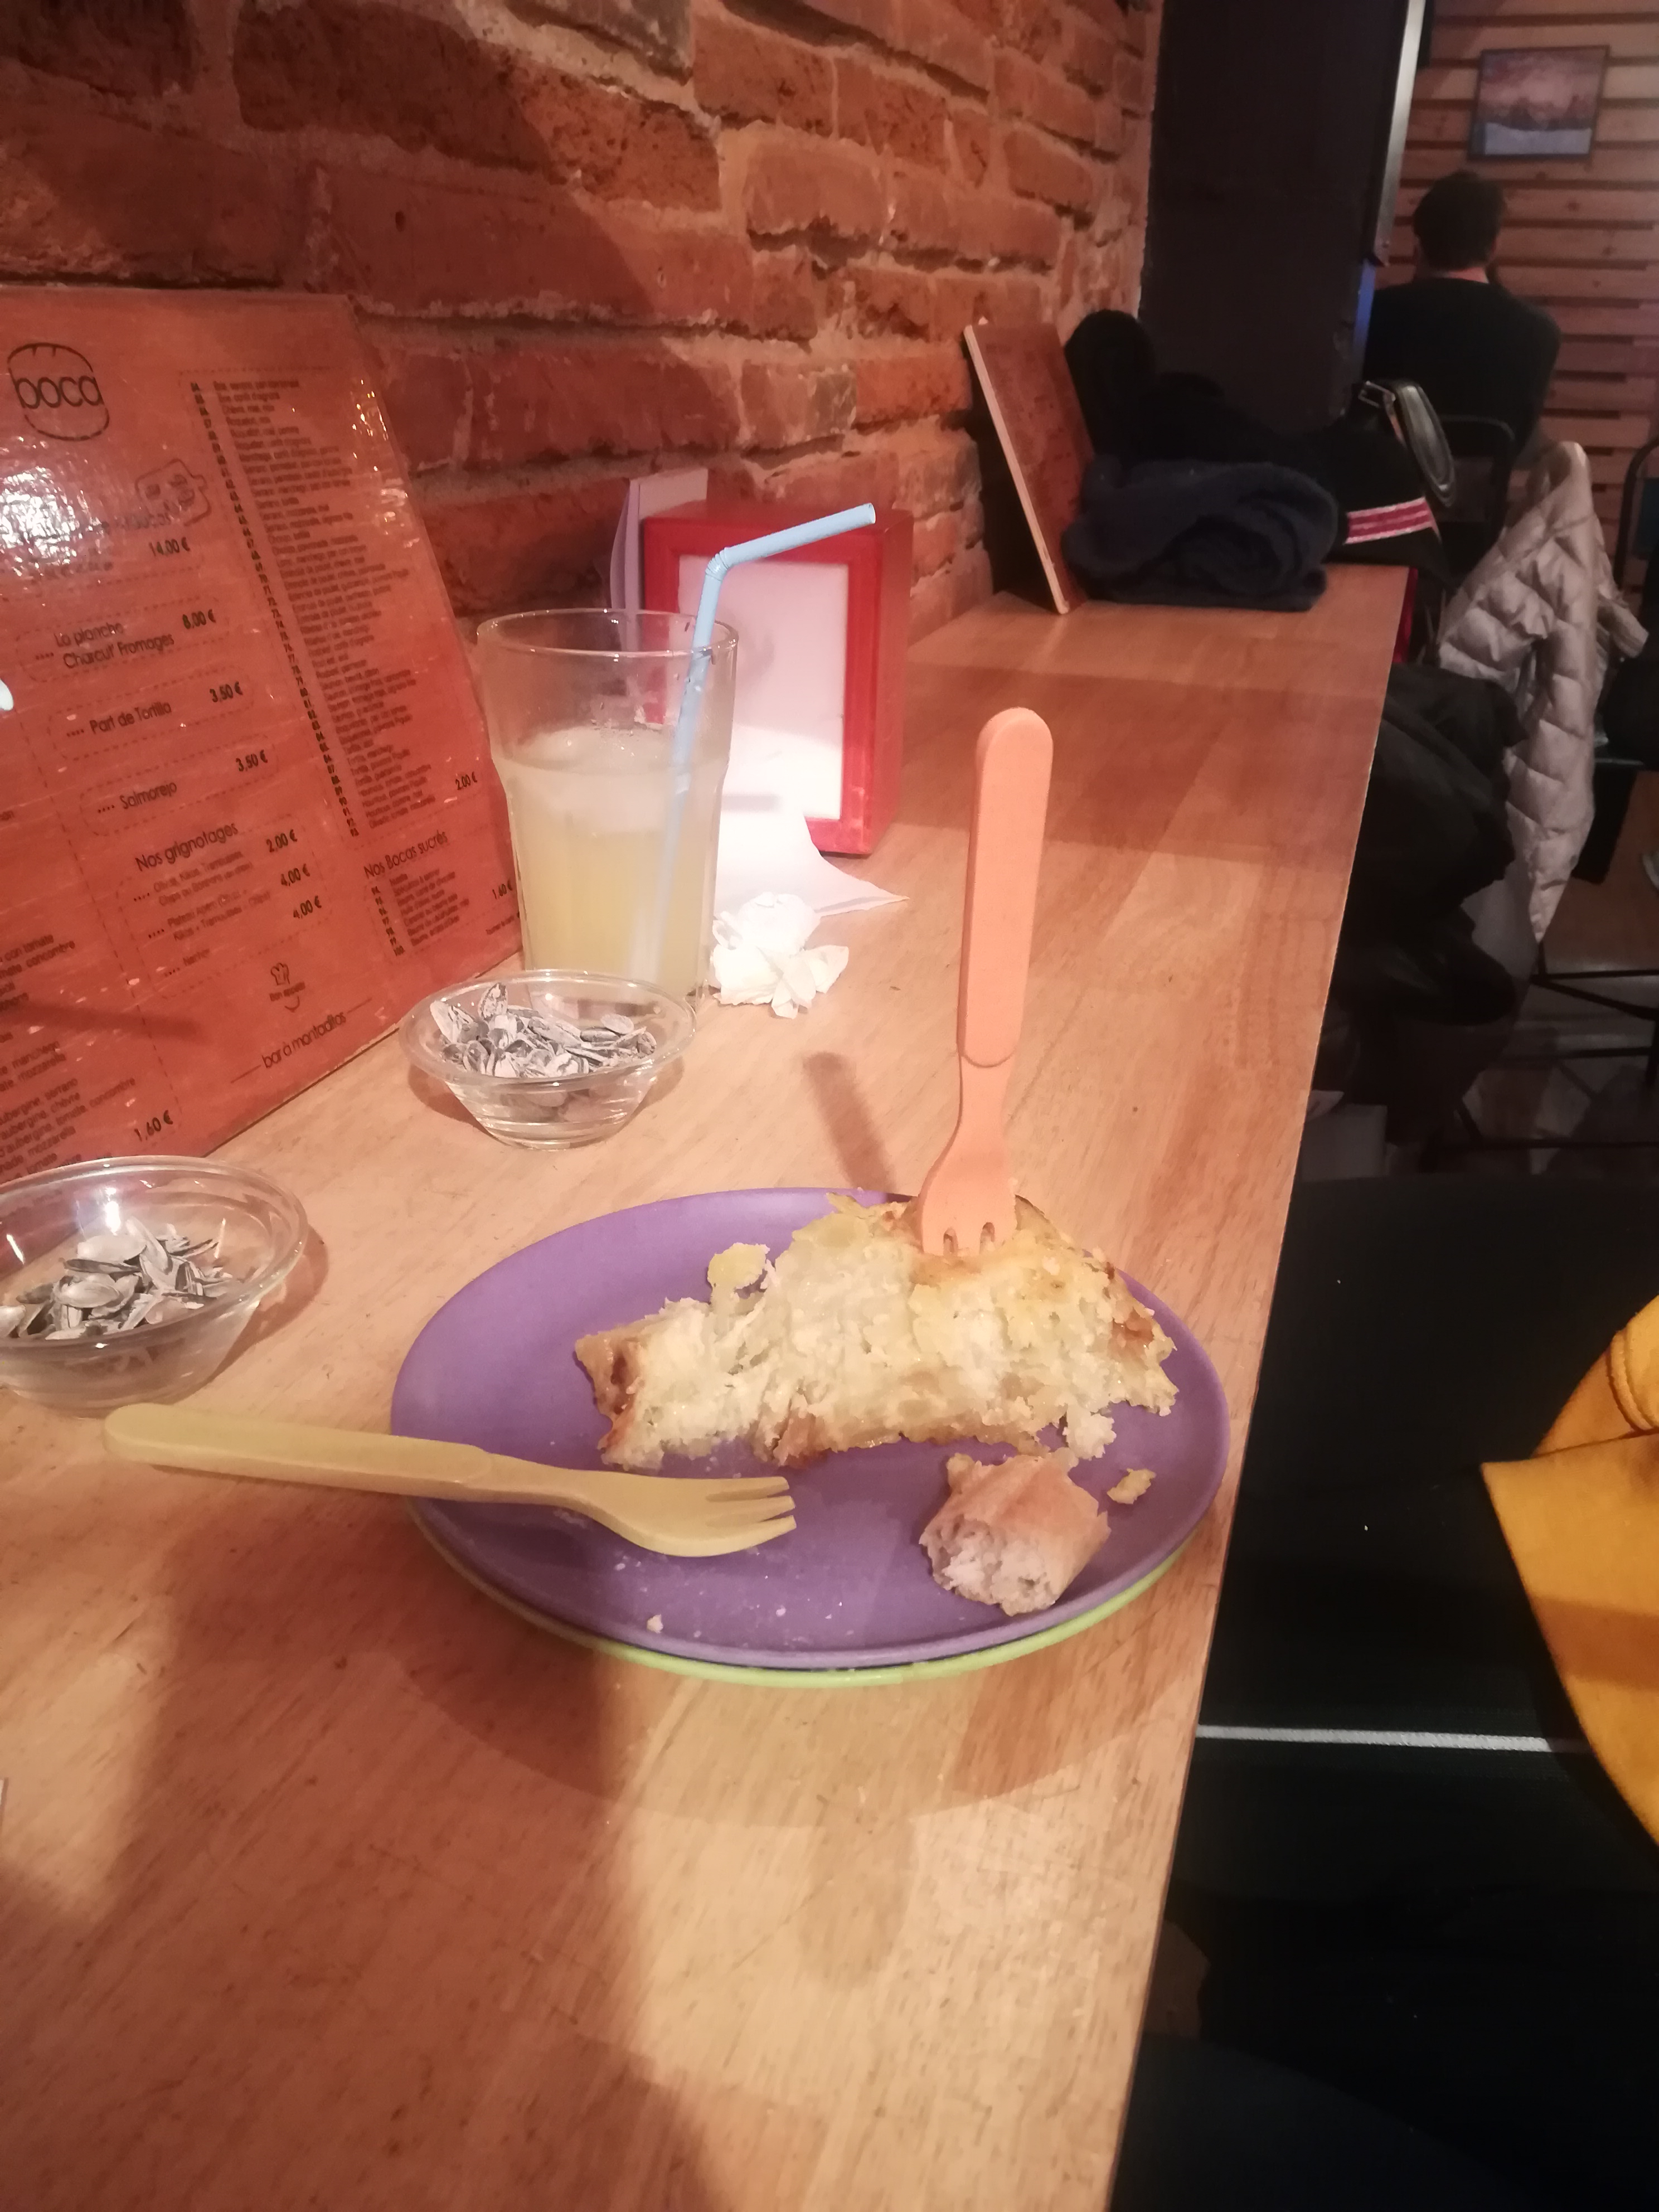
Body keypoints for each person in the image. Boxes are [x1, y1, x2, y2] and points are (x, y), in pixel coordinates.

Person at [1364, 169, 1560, 455]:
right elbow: (1521, 439)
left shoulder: (1373, 314)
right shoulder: (1540, 332)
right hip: (1484, 484)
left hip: (1386, 479)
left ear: (1419, 246)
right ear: (1493, 248)